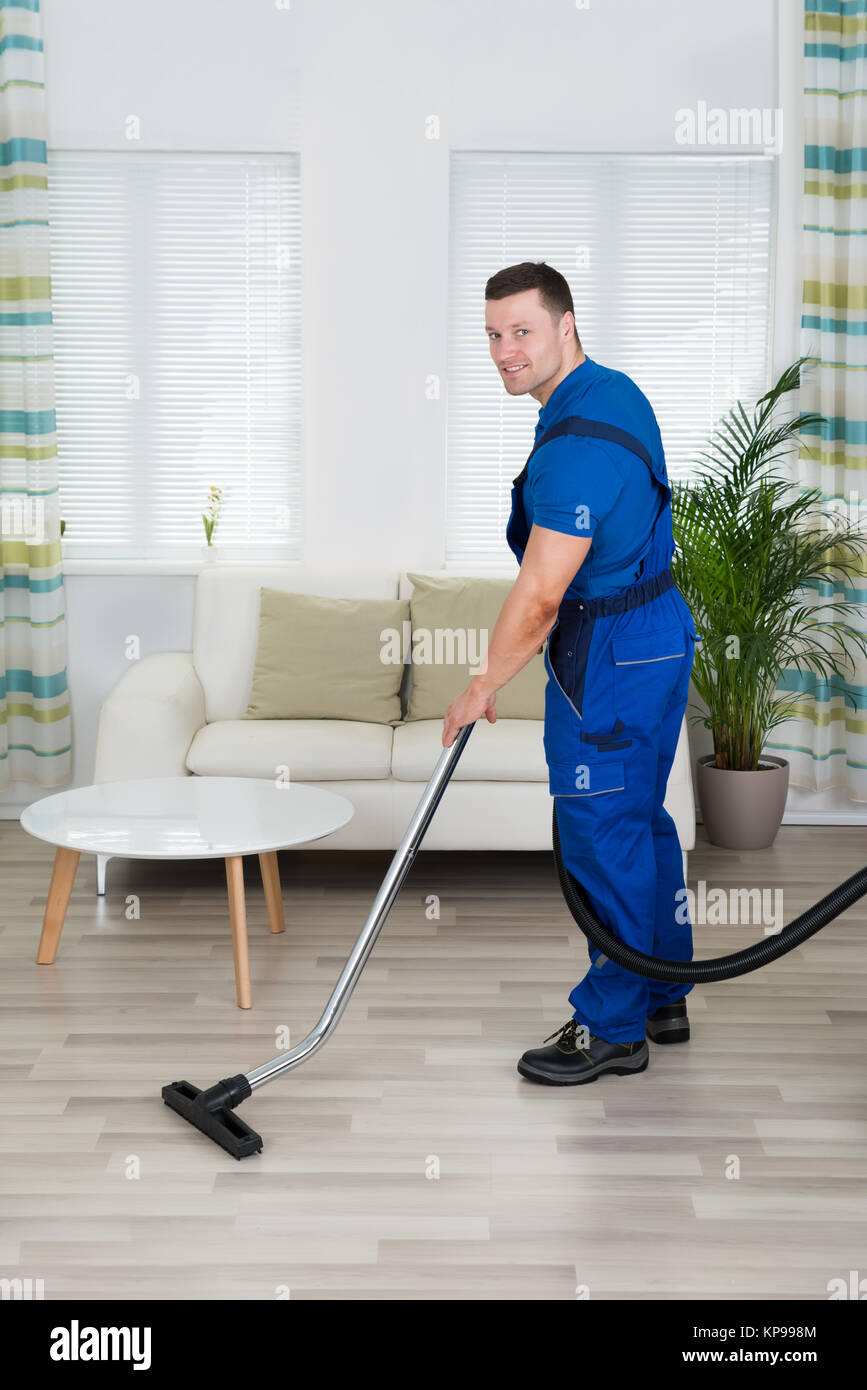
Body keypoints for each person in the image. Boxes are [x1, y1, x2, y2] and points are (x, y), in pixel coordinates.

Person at [441, 260, 698, 1085]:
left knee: (600, 832)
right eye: (491, 335)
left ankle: (613, 1028)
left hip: (613, 654)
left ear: (564, 324)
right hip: (656, 633)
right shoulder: (609, 390)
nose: (504, 351)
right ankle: (663, 988)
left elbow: (543, 593)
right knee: (641, 820)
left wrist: (480, 686)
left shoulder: (574, 451)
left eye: (521, 330)